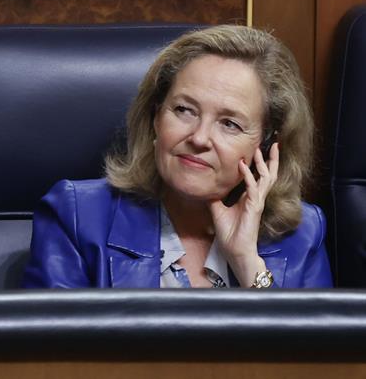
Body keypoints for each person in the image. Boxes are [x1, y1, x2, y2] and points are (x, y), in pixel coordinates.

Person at [22, 25, 332, 289]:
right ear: (156, 117)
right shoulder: (76, 217)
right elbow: (51, 357)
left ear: (266, 146)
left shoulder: (302, 235)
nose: (198, 138)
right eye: (184, 110)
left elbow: (311, 359)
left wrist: (246, 260)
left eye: (230, 124)